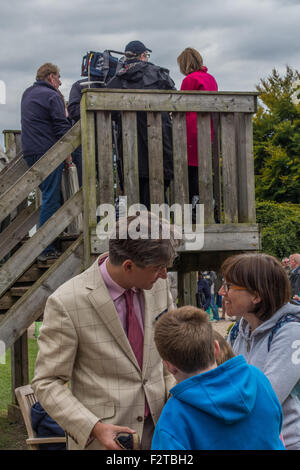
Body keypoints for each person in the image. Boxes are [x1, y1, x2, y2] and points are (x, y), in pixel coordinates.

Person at [31, 212, 180, 450]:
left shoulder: (159, 286)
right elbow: (47, 382)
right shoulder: (67, 302)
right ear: (129, 266)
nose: (164, 275)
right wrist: (94, 427)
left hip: (163, 435)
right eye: (158, 268)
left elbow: (172, 354)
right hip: (104, 441)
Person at [151, 306, 285, 450]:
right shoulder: (257, 378)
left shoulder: (173, 418)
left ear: (169, 366)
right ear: (216, 348)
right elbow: (275, 427)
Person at [219, 253, 300, 450]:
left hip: (284, 443)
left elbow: (265, 398)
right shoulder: (240, 329)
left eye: (229, 286)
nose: (221, 292)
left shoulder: (291, 331)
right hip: (249, 440)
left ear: (256, 295)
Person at [107, 41, 175, 209]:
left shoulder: (117, 80)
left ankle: (140, 231)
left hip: (131, 148)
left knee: (136, 198)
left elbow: (111, 113)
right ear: (143, 56)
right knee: (159, 197)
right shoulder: (159, 75)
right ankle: (161, 231)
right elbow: (174, 101)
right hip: (160, 143)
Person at [21, 63, 71, 261]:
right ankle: (45, 249)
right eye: (58, 77)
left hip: (30, 152)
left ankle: (51, 240)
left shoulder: (27, 93)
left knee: (52, 195)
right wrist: (68, 154)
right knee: (52, 198)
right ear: (51, 77)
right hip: (47, 152)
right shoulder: (52, 95)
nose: (60, 81)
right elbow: (61, 127)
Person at [177, 48, 218, 204]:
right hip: (207, 128)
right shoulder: (210, 78)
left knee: (190, 169)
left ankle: (194, 204)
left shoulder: (189, 80)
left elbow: (181, 105)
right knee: (203, 167)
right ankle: (207, 202)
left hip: (191, 129)